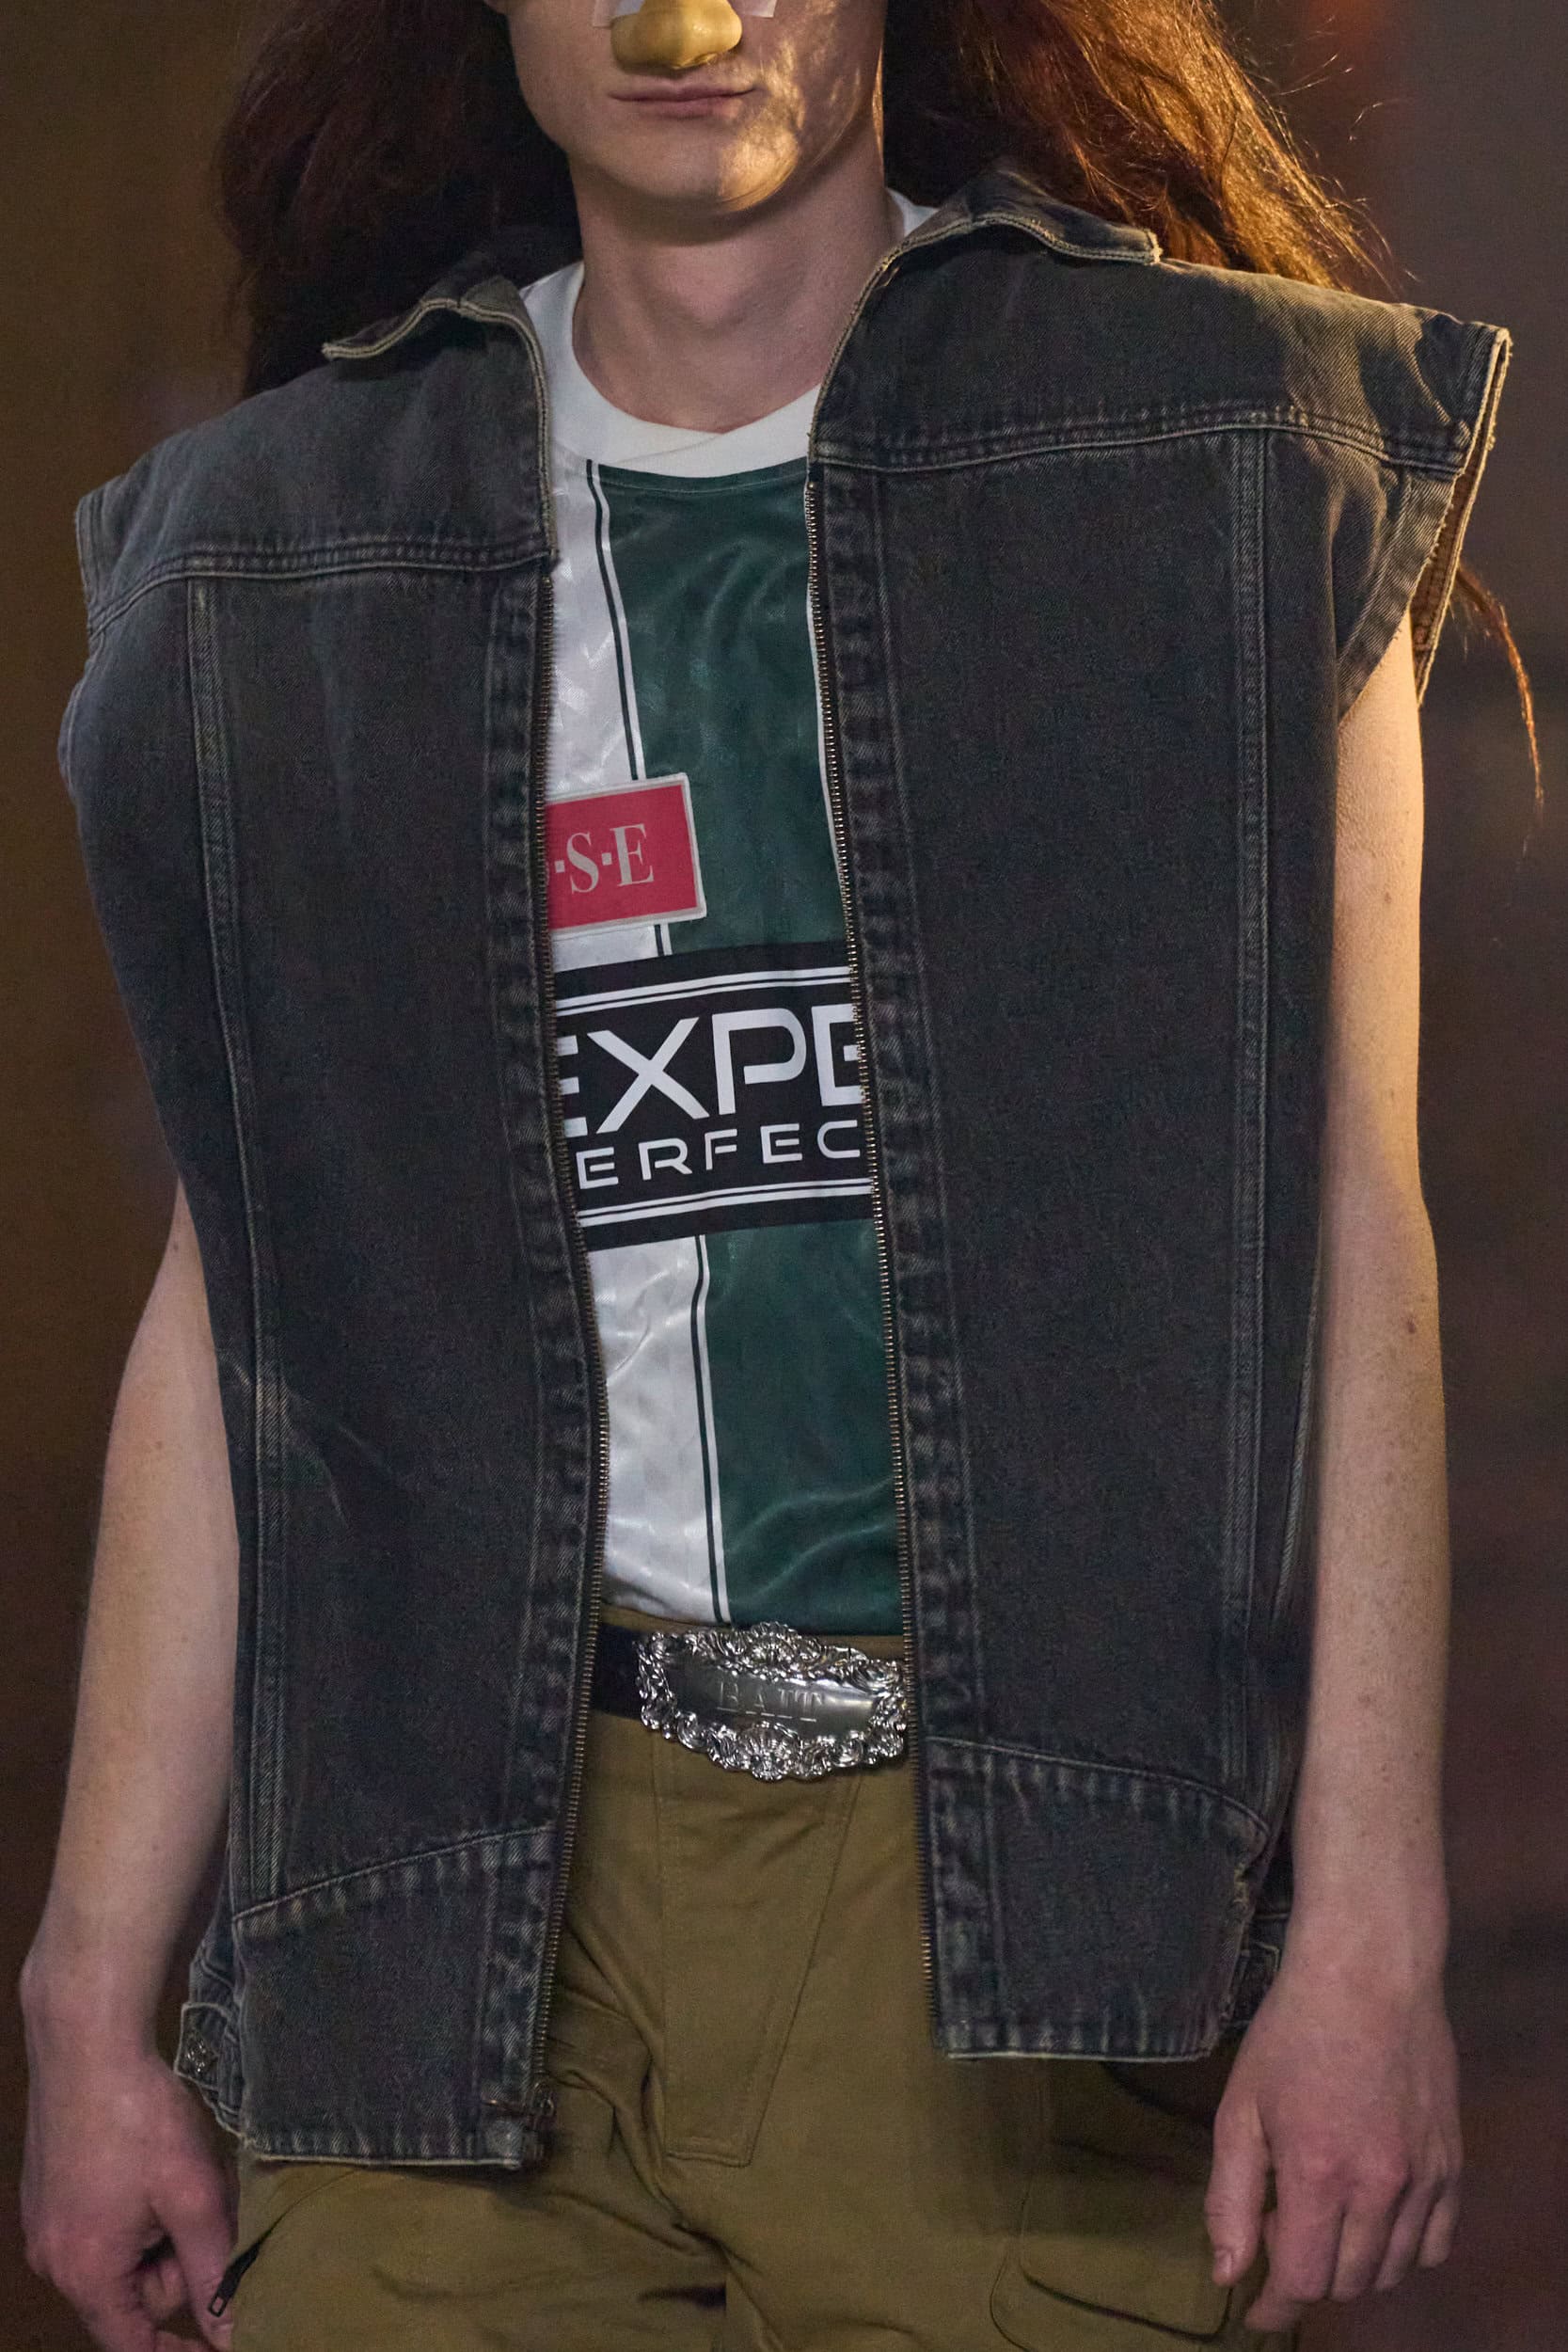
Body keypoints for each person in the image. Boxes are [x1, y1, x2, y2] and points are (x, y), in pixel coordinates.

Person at [19, 0, 1526, 2343]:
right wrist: (88, 1993)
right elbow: (253, 1299)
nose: (683, 16)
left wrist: (1370, 1934)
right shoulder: (288, 550)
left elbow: (1349, 1232)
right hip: (452, 1903)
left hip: (1008, 1910)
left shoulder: (1229, 464)